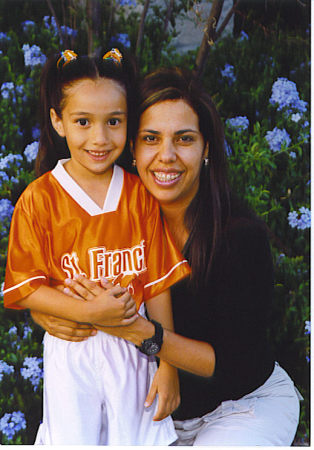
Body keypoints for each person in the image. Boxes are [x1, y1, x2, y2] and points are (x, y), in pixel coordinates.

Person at [30, 66, 301, 446]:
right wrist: (53, 310)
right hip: (149, 413)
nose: (167, 156)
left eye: (184, 139)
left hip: (240, 404)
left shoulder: (239, 237)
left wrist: (139, 332)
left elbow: (233, 366)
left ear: (206, 149)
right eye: (151, 138)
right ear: (132, 148)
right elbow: (49, 279)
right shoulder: (110, 213)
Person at [3, 53, 191, 445]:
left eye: (114, 122)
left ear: (129, 121)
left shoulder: (139, 195)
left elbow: (156, 284)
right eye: (83, 122)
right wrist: (89, 311)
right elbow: (28, 287)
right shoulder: (39, 200)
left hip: (134, 353)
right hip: (72, 352)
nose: (100, 138)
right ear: (58, 121)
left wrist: (169, 364)